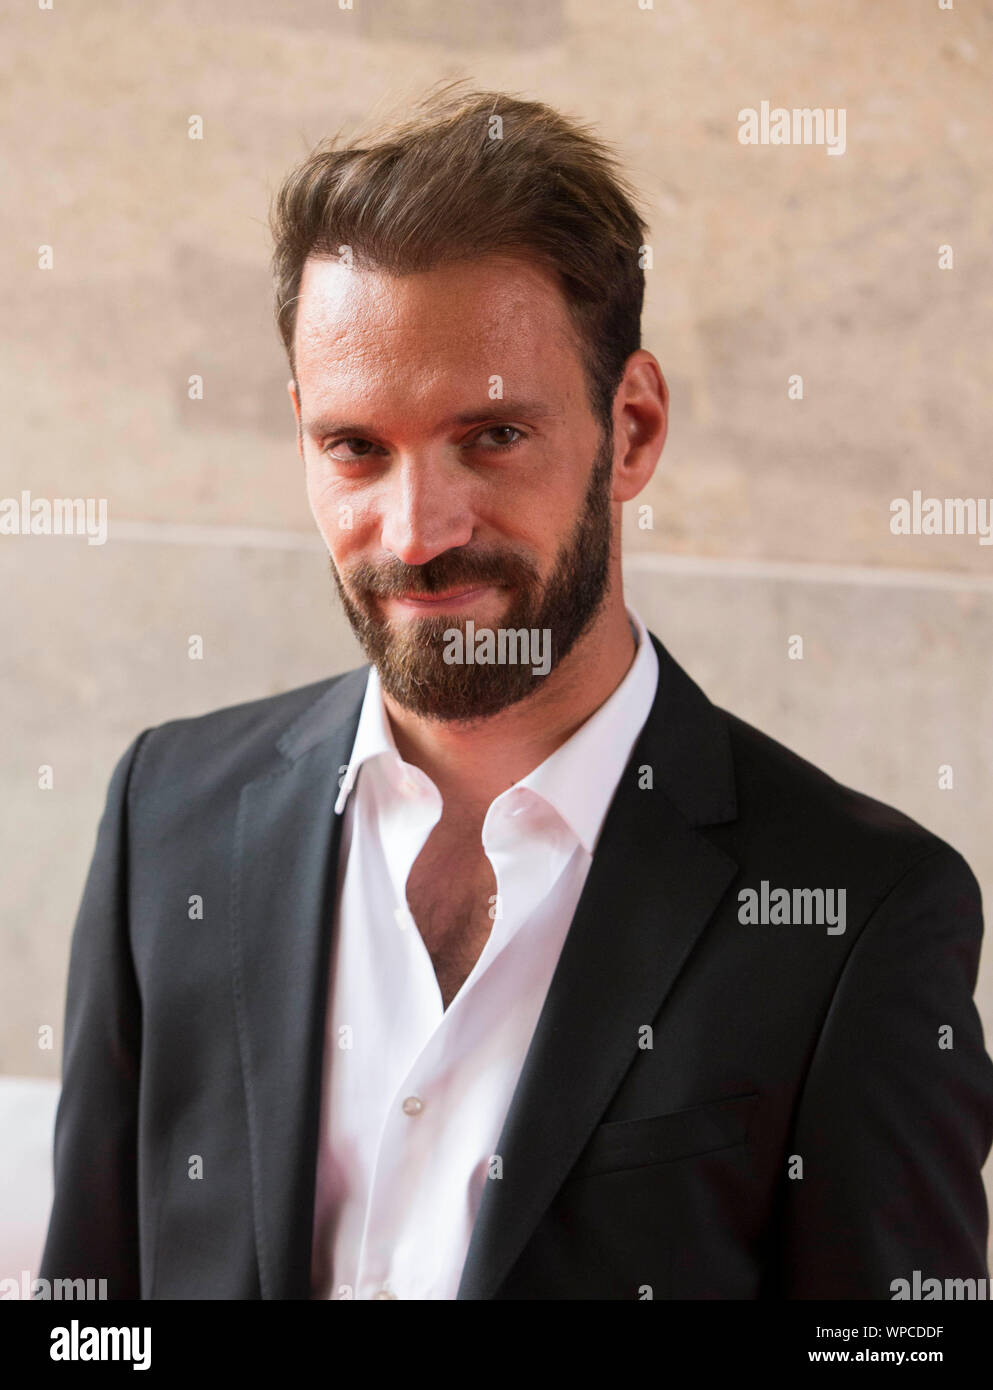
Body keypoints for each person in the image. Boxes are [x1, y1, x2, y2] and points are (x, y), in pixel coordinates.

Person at [40, 82, 993, 1300]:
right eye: (356, 447)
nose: (418, 530)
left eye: (489, 437)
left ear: (632, 428)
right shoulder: (161, 817)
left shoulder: (864, 915)